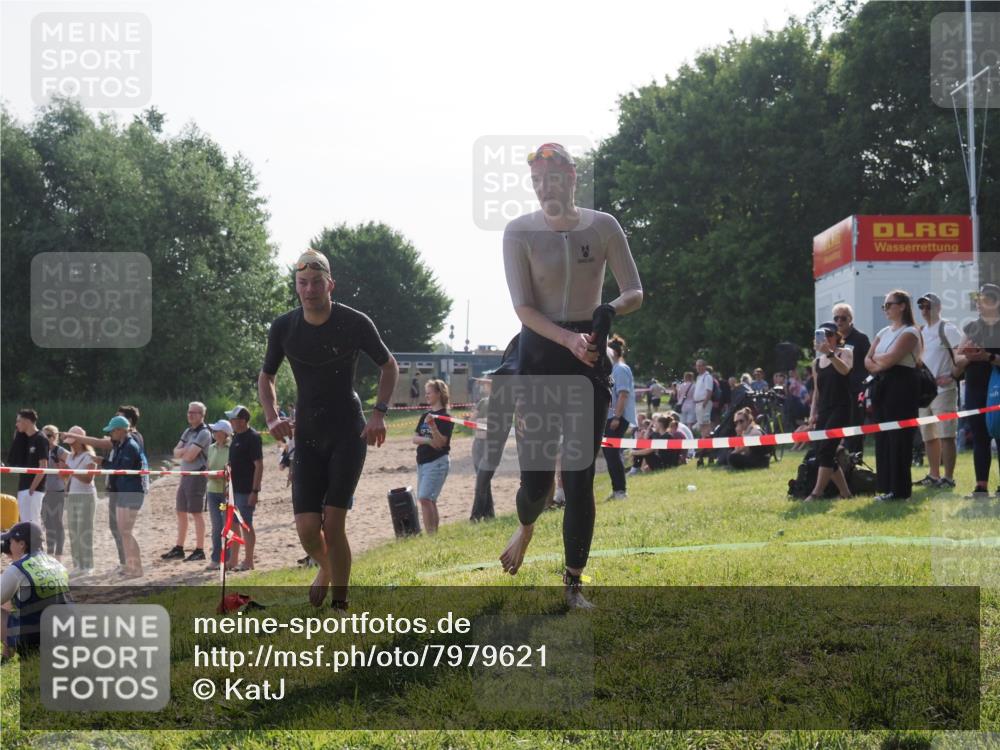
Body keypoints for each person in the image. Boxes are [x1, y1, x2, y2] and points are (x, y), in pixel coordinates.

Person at [494, 141, 642, 608]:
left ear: (573, 177)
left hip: (589, 357)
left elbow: (635, 290)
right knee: (536, 485)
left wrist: (607, 310)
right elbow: (522, 307)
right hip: (539, 356)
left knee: (578, 477)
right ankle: (526, 525)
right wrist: (567, 340)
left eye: (552, 179)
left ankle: (573, 583)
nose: (544, 189)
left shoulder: (603, 227)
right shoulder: (518, 231)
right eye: (537, 181)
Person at [259, 248, 398, 609]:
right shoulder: (284, 327)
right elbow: (267, 376)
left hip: (347, 432)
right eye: (302, 283)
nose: (309, 290)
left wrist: (379, 414)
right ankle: (324, 567)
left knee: (333, 526)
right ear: (296, 286)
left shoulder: (354, 322)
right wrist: (272, 416)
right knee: (308, 531)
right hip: (306, 435)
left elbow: (389, 366)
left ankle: (341, 603)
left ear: (330, 284)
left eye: (316, 282)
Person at [865, 290, 922, 502]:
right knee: (883, 437)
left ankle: (900, 490)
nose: (886, 309)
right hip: (882, 386)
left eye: (889, 305)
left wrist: (878, 359)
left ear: (902, 306)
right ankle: (886, 487)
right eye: (885, 306)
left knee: (899, 438)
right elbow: (867, 360)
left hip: (902, 386)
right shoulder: (883, 332)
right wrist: (879, 360)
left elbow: (889, 360)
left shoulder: (910, 332)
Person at [952, 283, 1000, 498]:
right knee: (979, 436)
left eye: (981, 299)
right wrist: (968, 357)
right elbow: (957, 359)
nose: (977, 303)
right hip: (974, 388)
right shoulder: (971, 326)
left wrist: (988, 357)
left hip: (996, 389)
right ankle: (981, 487)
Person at [914, 292, 963, 489]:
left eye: (929, 306)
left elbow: (962, 358)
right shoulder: (920, 331)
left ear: (939, 307)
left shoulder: (948, 329)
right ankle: (934, 475)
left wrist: (951, 376)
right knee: (928, 436)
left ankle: (948, 478)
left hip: (944, 391)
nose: (925, 310)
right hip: (923, 393)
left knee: (947, 435)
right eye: (922, 307)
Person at [1, 522, 70, 658]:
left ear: (21, 544)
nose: (8, 545)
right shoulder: (55, 563)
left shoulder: (17, 569)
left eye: (10, 541)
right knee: (14, 600)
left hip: (36, 642)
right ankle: (6, 654)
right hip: (68, 635)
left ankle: (7, 655)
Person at [804, 322, 854, 501]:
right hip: (824, 410)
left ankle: (816, 493)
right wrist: (812, 414)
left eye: (830, 334)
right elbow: (817, 391)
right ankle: (846, 493)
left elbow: (845, 370)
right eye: (822, 335)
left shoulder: (845, 352)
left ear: (836, 337)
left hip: (841, 407)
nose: (826, 338)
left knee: (826, 449)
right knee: (821, 450)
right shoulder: (816, 362)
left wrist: (830, 354)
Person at [161, 402, 212, 563]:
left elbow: (189, 456)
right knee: (181, 511)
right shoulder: (188, 431)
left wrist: (184, 451)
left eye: (194, 413)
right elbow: (176, 452)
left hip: (197, 475)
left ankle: (199, 549)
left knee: (196, 513)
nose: (190, 415)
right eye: (189, 412)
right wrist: (185, 451)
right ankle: (179, 547)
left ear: (202, 415)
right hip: (185, 475)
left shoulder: (204, 433)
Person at [101, 415, 147, 578]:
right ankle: (130, 565)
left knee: (126, 531)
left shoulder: (130, 446)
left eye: (112, 431)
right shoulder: (121, 445)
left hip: (131, 492)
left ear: (120, 430)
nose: (110, 435)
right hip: (123, 492)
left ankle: (137, 568)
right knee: (123, 532)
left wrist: (102, 462)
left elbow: (121, 469)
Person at [225, 405, 264, 571]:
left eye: (233, 419)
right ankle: (233, 560)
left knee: (246, 524)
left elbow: (259, 466)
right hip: (234, 490)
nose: (230, 422)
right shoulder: (235, 437)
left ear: (242, 421)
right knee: (233, 525)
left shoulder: (253, 437)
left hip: (246, 490)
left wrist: (255, 492)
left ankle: (249, 561)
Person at [413, 379, 453, 534]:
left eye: (429, 392)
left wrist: (433, 426)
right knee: (428, 500)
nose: (426, 395)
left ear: (438, 393)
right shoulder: (425, 415)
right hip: (422, 462)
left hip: (437, 461)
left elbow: (442, 443)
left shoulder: (445, 417)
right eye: (426, 393)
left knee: (425, 498)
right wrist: (429, 441)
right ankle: (433, 535)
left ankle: (431, 535)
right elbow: (415, 438)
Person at [834, 303, 872, 456]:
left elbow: (870, 363)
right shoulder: (834, 340)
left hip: (856, 391)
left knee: (855, 426)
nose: (839, 321)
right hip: (838, 390)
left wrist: (865, 384)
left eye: (843, 318)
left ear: (850, 319)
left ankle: (855, 458)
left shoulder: (860, 338)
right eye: (836, 318)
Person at [62, 426, 98, 577]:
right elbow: (68, 478)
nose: (71, 444)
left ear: (81, 441)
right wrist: (64, 473)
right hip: (72, 497)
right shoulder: (70, 456)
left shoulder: (89, 456)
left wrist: (70, 471)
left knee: (84, 531)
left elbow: (89, 478)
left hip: (86, 496)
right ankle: (77, 564)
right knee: (74, 532)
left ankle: (88, 566)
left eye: (74, 441)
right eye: (70, 442)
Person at [603, 335, 636, 500]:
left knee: (612, 453)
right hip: (610, 417)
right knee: (609, 453)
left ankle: (620, 491)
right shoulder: (611, 368)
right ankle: (617, 489)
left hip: (617, 417)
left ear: (614, 352)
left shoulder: (621, 369)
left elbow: (623, 394)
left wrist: (616, 417)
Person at [7, 410, 47, 526]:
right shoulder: (23, 438)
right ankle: (29, 544)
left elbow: (43, 466)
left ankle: (38, 544)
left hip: (34, 488)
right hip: (23, 486)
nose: (16, 424)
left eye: (19, 421)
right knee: (24, 521)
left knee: (34, 520)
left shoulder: (40, 438)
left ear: (27, 421)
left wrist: (32, 488)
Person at [205, 419, 232, 570]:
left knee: (225, 526)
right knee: (216, 526)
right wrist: (209, 473)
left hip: (226, 493)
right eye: (213, 431)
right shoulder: (211, 447)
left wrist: (220, 475)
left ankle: (228, 558)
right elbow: (209, 466)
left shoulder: (231, 448)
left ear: (224, 433)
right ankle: (216, 558)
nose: (214, 433)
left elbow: (231, 469)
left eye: (216, 431)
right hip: (212, 491)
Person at [40, 425, 69, 559]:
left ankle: (59, 554)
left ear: (55, 437)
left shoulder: (59, 450)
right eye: (44, 436)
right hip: (44, 492)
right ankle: (50, 551)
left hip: (58, 491)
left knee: (57, 522)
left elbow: (72, 463)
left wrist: (61, 466)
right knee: (47, 522)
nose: (46, 438)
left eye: (49, 436)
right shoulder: (42, 450)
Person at [469, 378, 495, 521]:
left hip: (489, 445)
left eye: (485, 383)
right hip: (480, 443)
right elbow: (472, 422)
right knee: (484, 482)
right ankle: (489, 514)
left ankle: (475, 516)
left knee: (481, 482)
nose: (482, 385)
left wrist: (480, 421)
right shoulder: (483, 402)